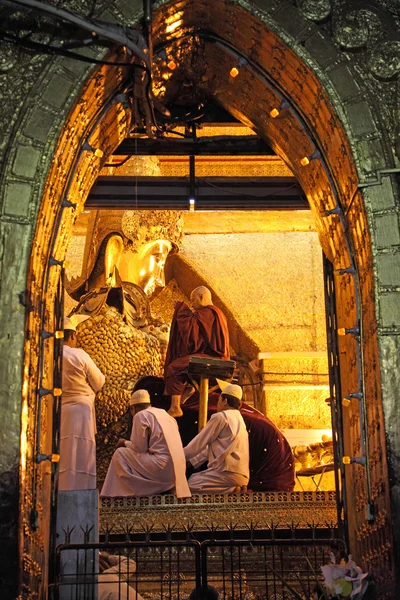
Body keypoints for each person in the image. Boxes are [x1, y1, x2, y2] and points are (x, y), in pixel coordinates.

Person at [100, 389, 191, 498]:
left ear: (132, 409)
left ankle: (120, 494)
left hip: (161, 468)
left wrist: (124, 443)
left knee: (120, 453)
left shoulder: (140, 415)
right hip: (177, 472)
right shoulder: (165, 415)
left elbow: (139, 448)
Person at [164, 286, 230, 418]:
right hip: (214, 356)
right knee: (184, 366)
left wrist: (181, 310)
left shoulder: (208, 313)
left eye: (193, 300)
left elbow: (193, 338)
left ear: (202, 297)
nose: (192, 305)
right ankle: (188, 389)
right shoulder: (216, 313)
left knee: (175, 366)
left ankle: (175, 406)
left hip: (213, 357)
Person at [59, 316, 105, 491]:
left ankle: (62, 491)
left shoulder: (50, 356)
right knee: (82, 453)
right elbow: (99, 381)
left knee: (64, 453)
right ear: (72, 336)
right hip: (81, 411)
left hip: (60, 411)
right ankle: (82, 493)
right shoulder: (79, 354)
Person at [184, 383, 249, 494]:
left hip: (227, 472)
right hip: (242, 476)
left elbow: (199, 443)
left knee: (190, 484)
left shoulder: (221, 417)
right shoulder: (240, 420)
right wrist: (191, 461)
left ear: (225, 401)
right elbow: (210, 449)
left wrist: (178, 457)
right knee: (195, 479)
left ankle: (231, 489)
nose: (218, 404)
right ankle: (233, 488)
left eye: (219, 400)